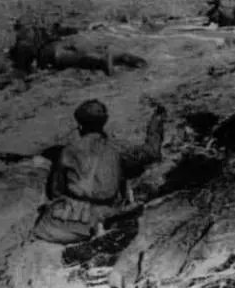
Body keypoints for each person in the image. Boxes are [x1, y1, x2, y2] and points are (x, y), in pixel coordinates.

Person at [32, 99, 164, 244]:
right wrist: (156, 122)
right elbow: (152, 153)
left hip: (63, 223)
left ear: (80, 126)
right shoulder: (118, 149)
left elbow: (55, 191)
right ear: (104, 122)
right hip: (105, 215)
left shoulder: (67, 151)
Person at [9, 19, 114, 76]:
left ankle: (101, 60)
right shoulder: (38, 30)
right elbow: (59, 31)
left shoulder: (22, 45)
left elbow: (27, 67)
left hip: (49, 53)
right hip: (60, 43)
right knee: (79, 54)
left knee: (76, 59)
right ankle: (102, 56)